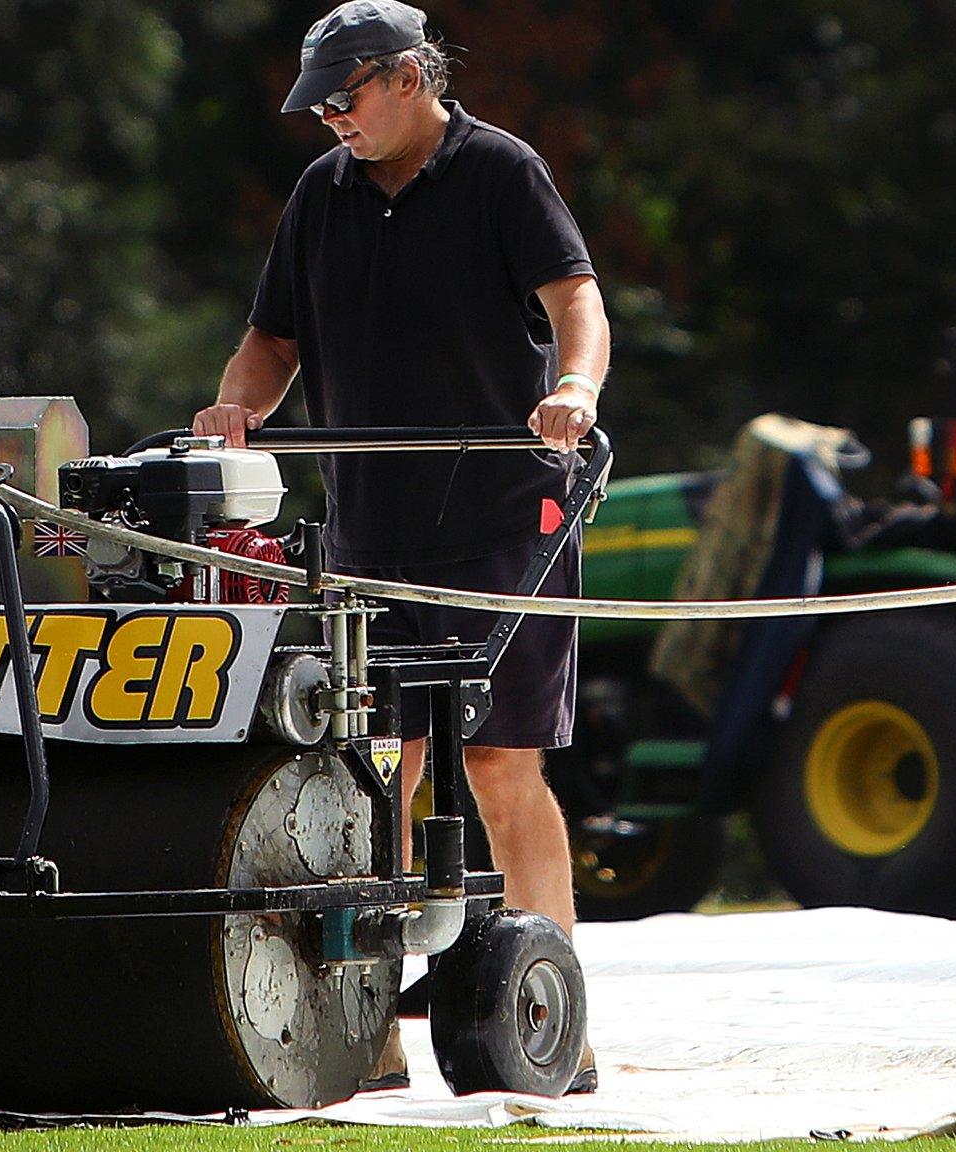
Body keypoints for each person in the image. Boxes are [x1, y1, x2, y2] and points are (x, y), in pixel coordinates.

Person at [192, 1, 609, 1091]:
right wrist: (235, 406)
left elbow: (576, 298)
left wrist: (573, 388)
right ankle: (364, 1033)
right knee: (377, 770)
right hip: (371, 525)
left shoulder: (499, 172)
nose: (330, 119)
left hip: (503, 514)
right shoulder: (319, 195)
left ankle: (552, 1024)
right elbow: (272, 337)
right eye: (318, 104)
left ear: (409, 75)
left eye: (345, 96)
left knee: (499, 760)